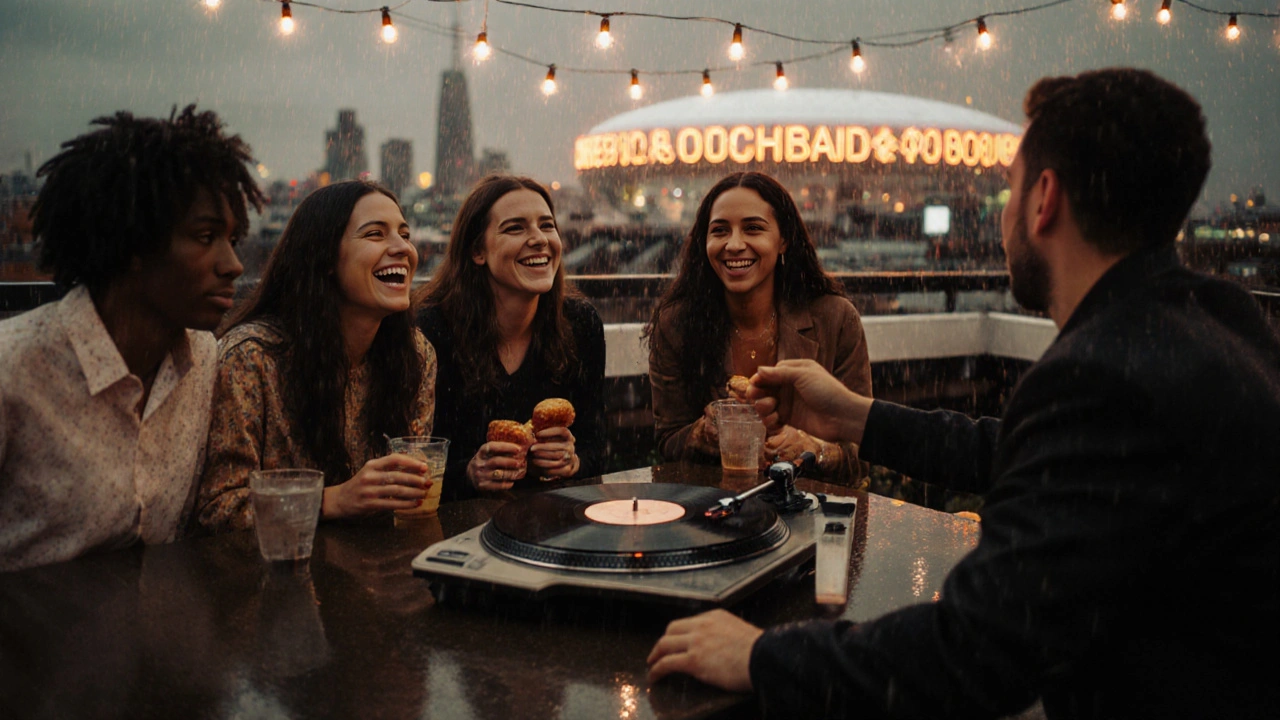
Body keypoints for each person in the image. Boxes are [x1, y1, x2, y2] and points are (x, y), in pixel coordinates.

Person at [647, 68, 1280, 719]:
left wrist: (762, 655)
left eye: (1006, 188)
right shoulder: (1218, 318)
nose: (1002, 213)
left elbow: (976, 651)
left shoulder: (1101, 374)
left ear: (1044, 200)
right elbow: (1018, 451)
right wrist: (852, 413)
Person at [0, 106, 264, 571]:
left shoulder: (202, 358)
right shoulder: (13, 369)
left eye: (234, 240)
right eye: (205, 237)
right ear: (133, 246)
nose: (233, 265)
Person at [196, 181, 436, 530]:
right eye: (375, 234)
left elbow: (411, 493)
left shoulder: (416, 354)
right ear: (324, 259)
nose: (403, 248)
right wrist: (333, 500)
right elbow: (218, 508)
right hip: (271, 578)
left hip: (377, 571)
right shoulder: (252, 358)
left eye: (405, 234)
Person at [645, 171, 871, 480]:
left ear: (784, 241)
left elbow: (861, 451)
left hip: (812, 514)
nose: (734, 244)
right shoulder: (676, 325)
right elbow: (668, 441)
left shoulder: (835, 319)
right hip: (716, 513)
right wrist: (704, 433)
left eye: (753, 228)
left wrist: (813, 449)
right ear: (705, 242)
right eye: (720, 231)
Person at [416, 175, 604, 503]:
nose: (539, 239)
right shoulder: (430, 331)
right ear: (477, 251)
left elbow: (597, 446)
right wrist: (470, 473)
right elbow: (412, 462)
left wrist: (571, 462)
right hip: (458, 532)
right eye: (515, 228)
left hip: (551, 525)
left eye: (547, 226)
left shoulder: (580, 323)